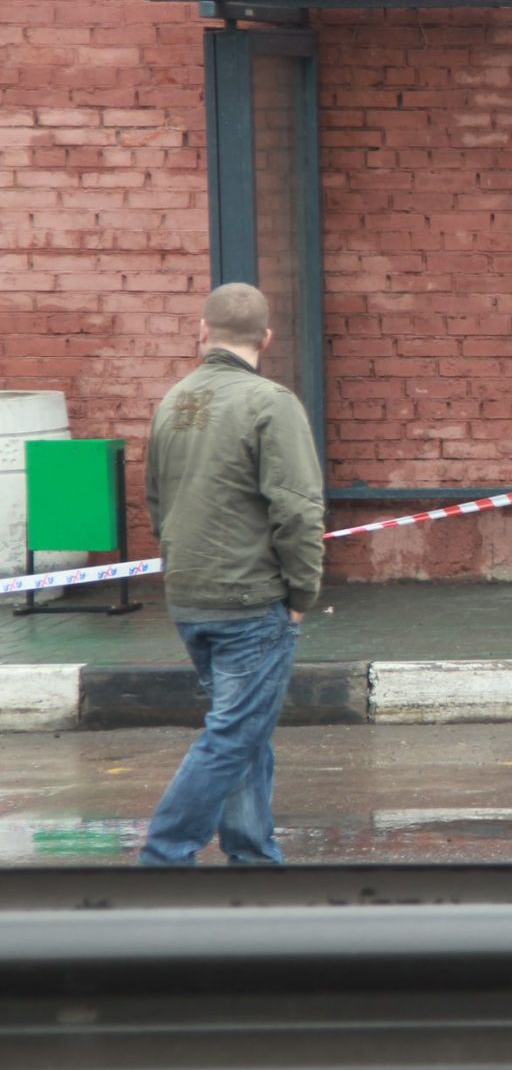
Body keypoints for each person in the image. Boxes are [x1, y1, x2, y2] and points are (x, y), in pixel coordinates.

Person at [138, 283, 325, 866]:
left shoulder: (172, 401)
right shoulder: (271, 403)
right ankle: (165, 856)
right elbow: (297, 508)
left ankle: (252, 856)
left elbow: (154, 500)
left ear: (202, 330)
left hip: (188, 595)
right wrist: (302, 592)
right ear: (266, 338)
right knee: (234, 734)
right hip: (250, 597)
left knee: (245, 730)